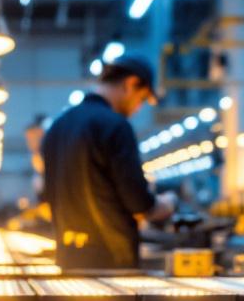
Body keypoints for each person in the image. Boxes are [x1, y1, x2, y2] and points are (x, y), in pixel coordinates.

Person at [41, 54, 177, 269]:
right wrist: (167, 203)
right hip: (110, 258)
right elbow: (137, 202)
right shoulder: (114, 126)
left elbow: (47, 195)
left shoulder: (56, 128)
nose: (138, 108)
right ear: (131, 84)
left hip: (68, 257)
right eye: (141, 99)